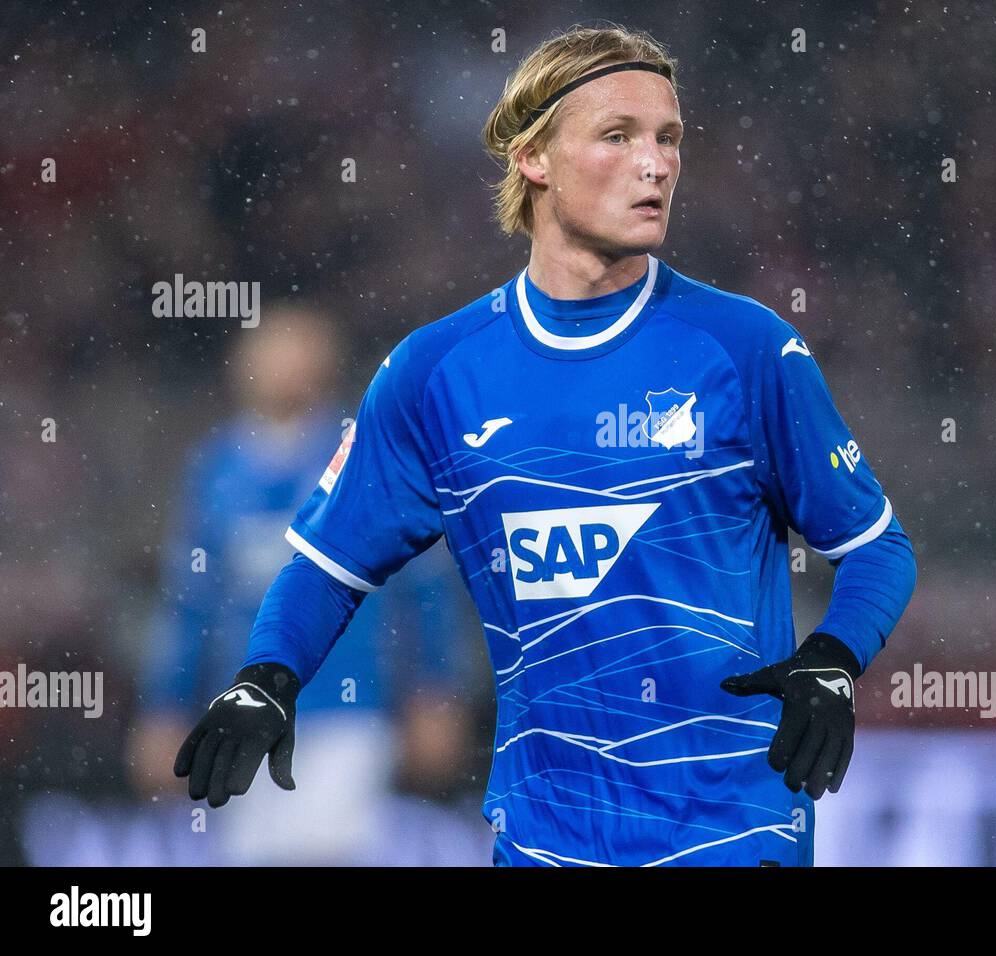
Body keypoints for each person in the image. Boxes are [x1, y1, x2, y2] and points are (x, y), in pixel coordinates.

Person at [174, 24, 917, 867]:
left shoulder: (747, 351)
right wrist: (267, 676)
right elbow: (326, 564)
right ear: (534, 159)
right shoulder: (434, 375)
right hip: (542, 843)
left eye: (668, 138)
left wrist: (832, 657)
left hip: (733, 834)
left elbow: (877, 548)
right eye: (619, 136)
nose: (657, 163)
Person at [132, 305, 478, 864]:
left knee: (329, 850)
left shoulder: (364, 451)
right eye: (269, 350)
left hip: (348, 703)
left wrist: (436, 687)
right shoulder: (216, 472)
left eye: (295, 348)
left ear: (323, 362)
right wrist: (164, 705)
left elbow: (425, 587)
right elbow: (187, 604)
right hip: (242, 705)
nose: (280, 365)